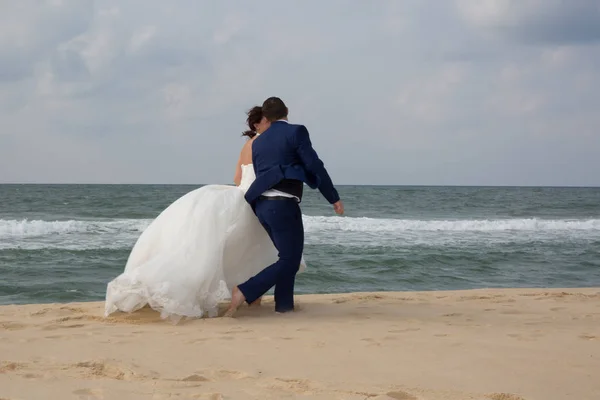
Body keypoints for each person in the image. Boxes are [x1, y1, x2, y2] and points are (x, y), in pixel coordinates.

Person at [104, 106, 306, 321]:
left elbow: (238, 177)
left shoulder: (248, 144)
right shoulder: (267, 145)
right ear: (260, 124)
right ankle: (265, 298)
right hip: (259, 199)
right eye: (269, 122)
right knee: (266, 250)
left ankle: (260, 297)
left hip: (243, 193)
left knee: (247, 249)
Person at [226, 97, 343, 317]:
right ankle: (244, 290)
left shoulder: (258, 142)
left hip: (261, 206)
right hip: (282, 204)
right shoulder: (296, 132)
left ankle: (284, 306)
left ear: (266, 117)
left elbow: (262, 175)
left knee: (287, 256)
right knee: (290, 259)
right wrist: (332, 197)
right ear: (286, 111)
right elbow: (314, 164)